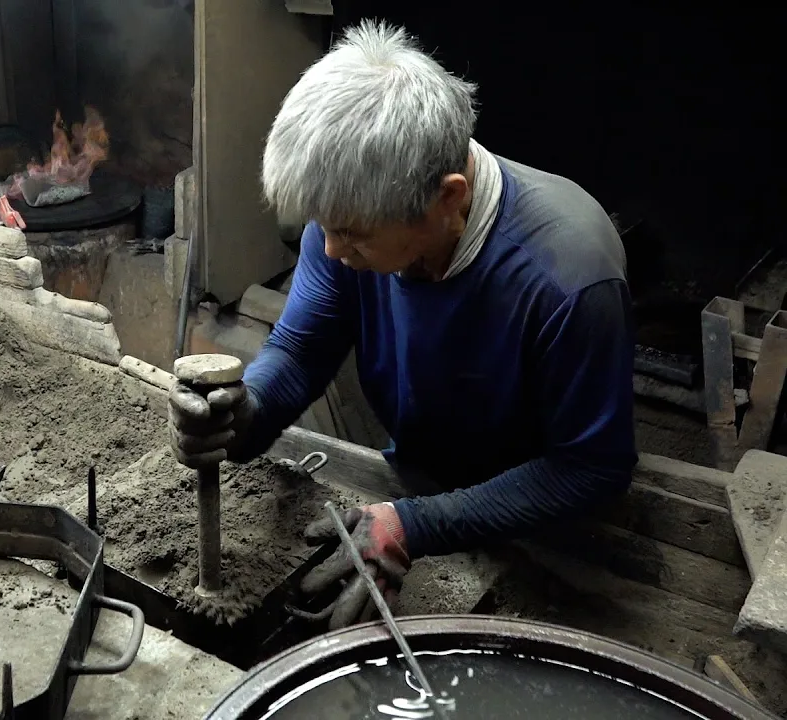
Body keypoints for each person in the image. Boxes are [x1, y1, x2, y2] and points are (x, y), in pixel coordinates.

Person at [168, 21, 637, 629]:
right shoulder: (352, 217)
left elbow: (591, 467)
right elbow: (303, 348)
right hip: (416, 474)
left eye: (352, 235)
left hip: (545, 519)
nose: (330, 250)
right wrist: (243, 414)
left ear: (448, 200)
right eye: (323, 227)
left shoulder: (569, 279)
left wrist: (415, 525)